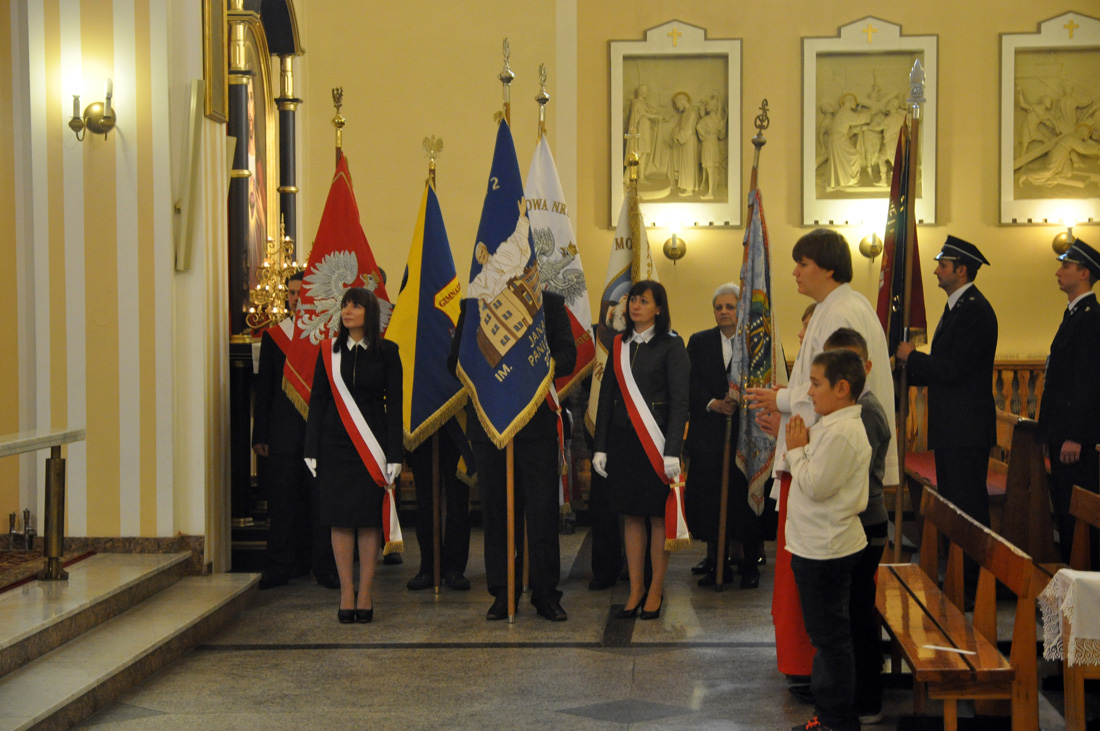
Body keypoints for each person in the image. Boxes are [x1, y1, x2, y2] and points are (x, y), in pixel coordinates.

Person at [746, 228, 897, 680]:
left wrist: (784, 404)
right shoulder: (838, 306)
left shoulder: (841, 311)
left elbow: (834, 390)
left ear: (828, 268)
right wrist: (787, 405)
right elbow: (821, 388)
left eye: (804, 264)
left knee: (832, 600)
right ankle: (828, 677)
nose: (795, 272)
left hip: (826, 468)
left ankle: (831, 682)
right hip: (819, 453)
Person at [449, 289, 576, 622]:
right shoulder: (474, 306)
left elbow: (568, 355)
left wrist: (531, 367)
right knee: (497, 514)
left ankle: (545, 594)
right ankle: (503, 593)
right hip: (490, 426)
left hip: (537, 427)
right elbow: (455, 362)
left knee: (542, 513)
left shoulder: (549, 304)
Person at [304, 287, 404, 624]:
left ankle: (365, 593)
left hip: (372, 446)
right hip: (335, 445)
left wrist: (395, 454)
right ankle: (347, 593)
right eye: (345, 305)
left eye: (355, 306)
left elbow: (395, 407)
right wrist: (311, 448)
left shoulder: (388, 352)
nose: (347, 311)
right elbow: (318, 401)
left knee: (368, 519)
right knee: (341, 517)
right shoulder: (328, 352)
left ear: (369, 312)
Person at [785, 349, 872, 731]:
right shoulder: (831, 425)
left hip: (827, 549)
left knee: (830, 639)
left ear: (842, 388)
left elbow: (815, 485)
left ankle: (836, 720)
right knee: (827, 636)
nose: (809, 391)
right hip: (817, 545)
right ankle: (832, 715)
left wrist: (795, 452)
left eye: (816, 383)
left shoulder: (843, 433)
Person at [592, 281, 690, 620]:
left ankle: (655, 589)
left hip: (657, 444)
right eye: (633, 300)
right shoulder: (618, 344)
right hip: (623, 443)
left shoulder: (671, 345)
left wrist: (673, 450)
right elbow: (606, 397)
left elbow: (680, 402)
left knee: (657, 515)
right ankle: (635, 589)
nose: (635, 306)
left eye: (644, 301)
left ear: (658, 308)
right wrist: (600, 447)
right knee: (631, 515)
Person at [896, 236, 997, 531]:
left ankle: (972, 563)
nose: (936, 271)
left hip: (965, 429)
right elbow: (945, 366)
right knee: (954, 506)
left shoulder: (974, 310)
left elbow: (954, 369)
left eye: (943, 265)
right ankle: (956, 560)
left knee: (967, 509)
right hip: (953, 429)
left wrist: (913, 357)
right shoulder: (958, 307)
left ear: (961, 270)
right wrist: (904, 368)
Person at [820, 328, 891, 725]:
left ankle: (867, 701)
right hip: (858, 523)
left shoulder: (865, 413)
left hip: (866, 525)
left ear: (865, 367)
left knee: (857, 614)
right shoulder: (852, 410)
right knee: (851, 612)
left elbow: (844, 472)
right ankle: (856, 694)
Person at [252, 272, 339, 590]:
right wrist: (260, 434)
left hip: (320, 432)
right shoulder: (275, 336)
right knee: (284, 502)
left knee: (320, 503)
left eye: (300, 292)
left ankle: (324, 567)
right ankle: (280, 566)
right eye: (290, 293)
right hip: (284, 433)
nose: (295, 298)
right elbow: (265, 390)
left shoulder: (326, 336)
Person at [684, 283, 760, 589]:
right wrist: (713, 403)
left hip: (747, 437)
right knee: (710, 501)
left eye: (730, 306)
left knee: (744, 502)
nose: (724, 312)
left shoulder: (757, 342)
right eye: (719, 307)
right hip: (709, 438)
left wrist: (742, 402)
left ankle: (750, 564)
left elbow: (770, 382)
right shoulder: (699, 342)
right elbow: (688, 383)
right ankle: (717, 563)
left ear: (741, 309)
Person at [1036, 239, 1100, 566]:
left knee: (1078, 518)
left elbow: (1088, 382)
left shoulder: (1090, 318)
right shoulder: (1075, 314)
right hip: (1062, 433)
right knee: (1064, 513)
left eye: (1066, 266)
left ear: (1084, 273)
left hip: (1076, 440)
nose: (1058, 272)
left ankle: (1085, 582)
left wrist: (1075, 435)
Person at [404, 418, 473, 591]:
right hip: (423, 422)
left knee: (457, 499)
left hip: (457, 419)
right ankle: (428, 566)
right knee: (425, 500)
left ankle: (454, 568)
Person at [670, 92, 699, 196]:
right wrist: (675, 134)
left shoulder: (692, 113)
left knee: (689, 163)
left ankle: (689, 188)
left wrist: (679, 137)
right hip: (685, 140)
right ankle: (686, 186)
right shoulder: (684, 114)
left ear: (682, 102)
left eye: (678, 105)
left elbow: (688, 128)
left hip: (689, 140)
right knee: (685, 163)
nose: (678, 107)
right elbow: (678, 127)